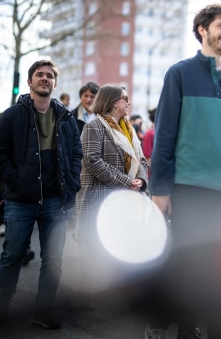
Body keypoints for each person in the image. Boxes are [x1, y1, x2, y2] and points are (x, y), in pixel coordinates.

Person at [148, 2, 221, 339]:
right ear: (202, 29)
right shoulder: (180, 73)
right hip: (188, 186)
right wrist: (160, 189)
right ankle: (186, 327)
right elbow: (165, 133)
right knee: (189, 259)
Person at [0, 60, 82, 328]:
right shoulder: (11, 115)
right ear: (29, 82)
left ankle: (43, 311)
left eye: (50, 75)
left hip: (56, 200)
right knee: (13, 254)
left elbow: (76, 153)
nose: (45, 78)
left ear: (55, 83)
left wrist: (73, 181)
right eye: (39, 75)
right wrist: (15, 181)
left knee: (53, 259)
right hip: (21, 199)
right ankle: (4, 299)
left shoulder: (65, 118)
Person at [75, 84, 149, 310]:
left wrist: (142, 181)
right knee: (94, 249)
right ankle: (87, 293)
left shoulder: (128, 128)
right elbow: (93, 162)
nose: (128, 102)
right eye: (124, 98)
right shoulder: (94, 126)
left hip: (125, 200)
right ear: (112, 101)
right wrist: (128, 182)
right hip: (100, 198)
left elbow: (142, 160)